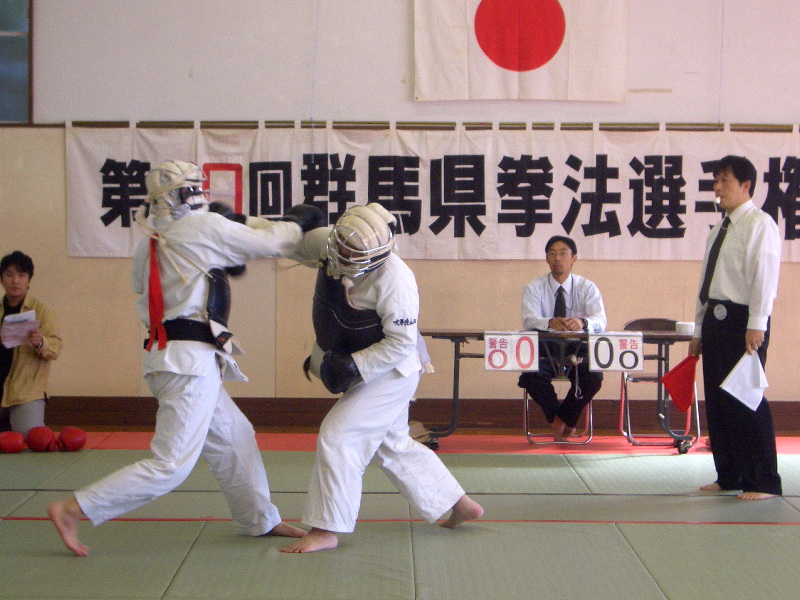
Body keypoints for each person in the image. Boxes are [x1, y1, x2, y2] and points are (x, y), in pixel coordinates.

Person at [48, 160, 322, 555]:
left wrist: (238, 224)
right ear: (188, 191)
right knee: (171, 464)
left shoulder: (152, 239)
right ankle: (75, 508)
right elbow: (272, 243)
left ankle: (259, 519)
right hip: (188, 364)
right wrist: (298, 222)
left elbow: (218, 244)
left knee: (235, 436)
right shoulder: (201, 227)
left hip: (171, 358)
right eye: (195, 187)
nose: (201, 194)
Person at [280, 203, 483, 553]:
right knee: (393, 444)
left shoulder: (395, 279)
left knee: (339, 435)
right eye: (340, 247)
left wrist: (352, 366)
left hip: (393, 370)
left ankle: (327, 527)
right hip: (367, 359)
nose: (344, 254)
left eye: (353, 252)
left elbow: (400, 345)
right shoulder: (332, 241)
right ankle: (458, 503)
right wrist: (285, 230)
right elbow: (288, 247)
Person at [689, 155, 782, 501]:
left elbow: (764, 280)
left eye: (724, 181)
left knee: (746, 399)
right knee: (717, 401)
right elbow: (707, 284)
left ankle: (763, 481)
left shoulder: (760, 224)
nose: (717, 188)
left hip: (745, 323)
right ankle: (729, 474)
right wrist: (698, 330)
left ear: (746, 185)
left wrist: (757, 324)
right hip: (716, 320)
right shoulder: (720, 229)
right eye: (716, 181)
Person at [517, 236, 606, 441]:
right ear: (546, 258)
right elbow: (528, 319)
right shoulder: (534, 287)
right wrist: (548, 322)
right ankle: (560, 420)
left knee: (593, 377)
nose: (558, 258)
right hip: (545, 347)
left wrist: (583, 323)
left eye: (563, 253)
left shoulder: (587, 287)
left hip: (578, 347)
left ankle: (563, 419)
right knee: (531, 376)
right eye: (552, 253)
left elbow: (600, 319)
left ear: (573, 258)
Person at [1, 251, 62, 438]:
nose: (15, 281)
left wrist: (40, 342)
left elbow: (55, 348)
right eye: (9, 275)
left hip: (26, 392)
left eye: (21, 275)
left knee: (31, 438)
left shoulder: (42, 311)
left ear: (29, 280)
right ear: (2, 279)